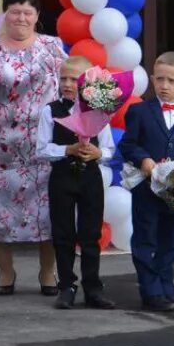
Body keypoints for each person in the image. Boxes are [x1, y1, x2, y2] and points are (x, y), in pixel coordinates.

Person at [0, 0, 65, 296]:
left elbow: (70, 85)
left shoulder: (52, 47)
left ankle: (48, 273)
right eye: (14, 11)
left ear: (37, 16)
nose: (21, 18)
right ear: (4, 15)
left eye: (27, 12)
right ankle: (6, 272)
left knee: (49, 210)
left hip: (43, 143)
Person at [119, 51, 174, 312]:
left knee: (168, 241)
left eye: (171, 81)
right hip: (147, 188)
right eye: (160, 79)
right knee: (145, 240)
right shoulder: (139, 111)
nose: (165, 86)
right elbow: (128, 144)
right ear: (152, 79)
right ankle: (151, 291)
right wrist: (143, 159)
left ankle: (167, 289)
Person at [37, 54, 116, 310]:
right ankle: (66, 287)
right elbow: (41, 149)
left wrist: (99, 153)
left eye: (74, 79)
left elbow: (109, 148)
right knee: (63, 233)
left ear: (87, 83)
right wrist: (67, 150)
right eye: (64, 78)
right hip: (62, 177)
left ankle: (93, 287)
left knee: (91, 233)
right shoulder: (50, 111)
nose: (68, 84)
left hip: (90, 178)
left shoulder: (99, 110)